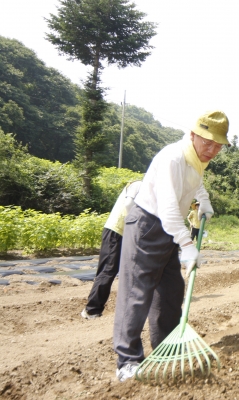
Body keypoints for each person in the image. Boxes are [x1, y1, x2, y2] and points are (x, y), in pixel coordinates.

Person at [112, 110, 230, 382]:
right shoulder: (173, 157)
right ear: (192, 135)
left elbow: (194, 181)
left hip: (168, 230)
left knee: (170, 292)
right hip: (148, 225)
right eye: (207, 142)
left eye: (218, 145)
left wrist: (203, 199)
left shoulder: (197, 158)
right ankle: (126, 362)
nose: (212, 150)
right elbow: (167, 208)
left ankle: (164, 347)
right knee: (137, 294)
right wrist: (187, 244)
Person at [80, 180, 142, 319]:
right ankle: (91, 310)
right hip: (116, 231)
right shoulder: (139, 185)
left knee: (132, 270)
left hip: (127, 234)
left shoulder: (148, 190)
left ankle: (133, 305)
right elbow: (128, 205)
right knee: (108, 269)